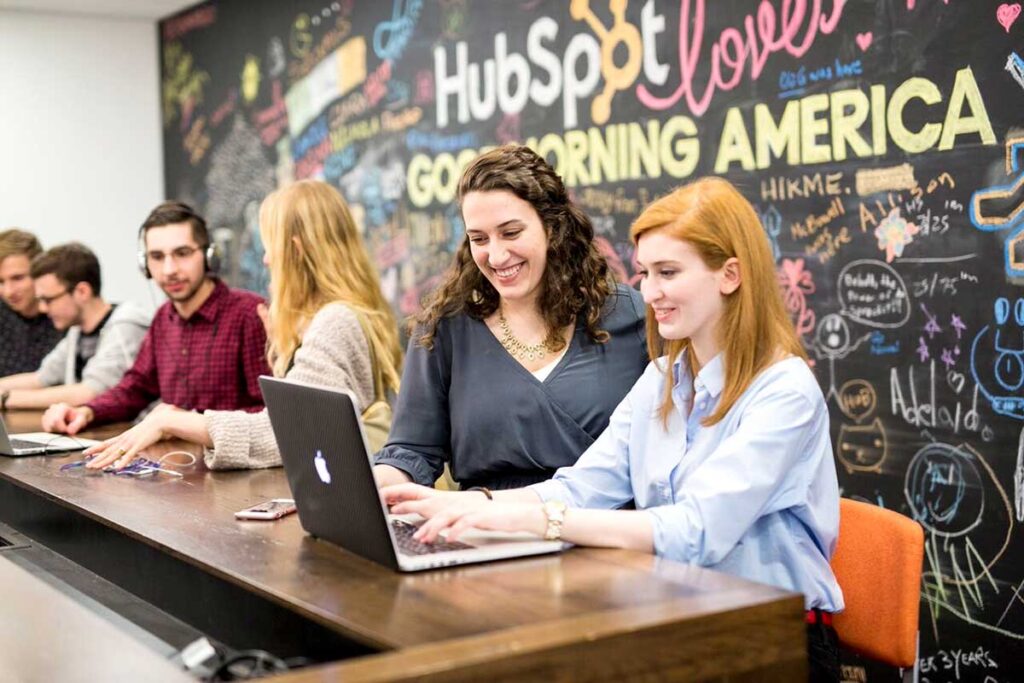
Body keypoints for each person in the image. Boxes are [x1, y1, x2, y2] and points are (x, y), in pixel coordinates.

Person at [382, 177, 844, 682]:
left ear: (730, 274)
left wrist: (539, 523)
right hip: (676, 620)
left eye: (668, 272)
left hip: (773, 638)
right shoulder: (664, 379)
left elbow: (695, 533)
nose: (649, 292)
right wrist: (473, 506)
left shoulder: (783, 391)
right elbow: (582, 487)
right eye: (645, 273)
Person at [373, 144, 648, 490]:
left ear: (551, 228)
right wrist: (368, 485)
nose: (497, 255)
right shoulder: (444, 328)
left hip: (600, 532)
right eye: (479, 239)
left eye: (511, 233)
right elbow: (411, 451)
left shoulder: (629, 315)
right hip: (485, 531)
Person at [82, 180, 402, 471]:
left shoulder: (333, 321)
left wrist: (175, 421)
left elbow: (288, 431)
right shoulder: (338, 317)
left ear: (296, 249)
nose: (265, 259)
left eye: (270, 245)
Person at [42, 201, 269, 435]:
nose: (169, 269)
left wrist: (189, 424)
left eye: (182, 254)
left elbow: (268, 414)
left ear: (209, 256)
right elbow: (135, 388)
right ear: (145, 265)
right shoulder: (164, 318)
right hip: (176, 463)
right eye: (157, 257)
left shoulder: (249, 314)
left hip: (234, 466)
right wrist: (87, 412)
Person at [0, 243, 151, 410]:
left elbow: (91, 392)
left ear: (82, 292)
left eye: (48, 300)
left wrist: (6, 398)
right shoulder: (77, 330)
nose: (43, 308)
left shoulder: (125, 326)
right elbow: (42, 378)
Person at [0, 229, 63, 377]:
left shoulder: (64, 315)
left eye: (18, 278)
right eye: (0, 282)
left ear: (39, 271)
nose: (9, 292)